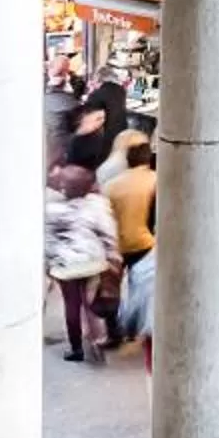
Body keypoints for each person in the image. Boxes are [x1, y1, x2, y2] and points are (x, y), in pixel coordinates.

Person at [44, 163, 118, 363]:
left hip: (65, 265)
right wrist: (113, 256)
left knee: (72, 305)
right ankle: (98, 339)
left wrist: (48, 262)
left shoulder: (52, 209)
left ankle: (76, 348)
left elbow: (47, 239)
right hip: (91, 261)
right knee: (90, 301)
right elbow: (108, 233)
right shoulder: (96, 205)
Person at [106, 139, 157, 349]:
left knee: (113, 288)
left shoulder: (113, 185)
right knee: (140, 287)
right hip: (145, 242)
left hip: (119, 243)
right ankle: (135, 328)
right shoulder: (156, 180)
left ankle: (114, 331)